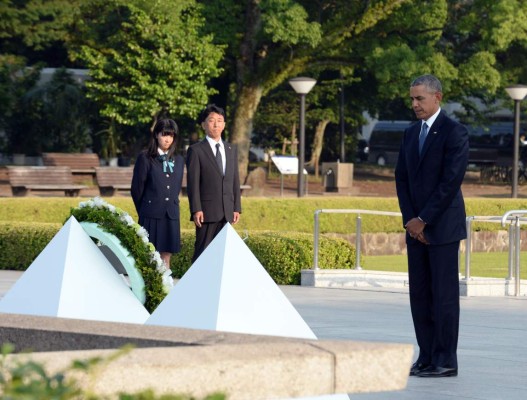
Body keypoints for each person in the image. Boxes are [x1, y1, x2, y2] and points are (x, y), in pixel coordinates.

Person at [395, 74, 469, 378]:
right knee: (420, 295)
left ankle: (445, 359)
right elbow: (401, 178)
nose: (414, 104)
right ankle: (426, 356)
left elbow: (450, 182)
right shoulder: (411, 133)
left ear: (437, 97)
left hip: (441, 228)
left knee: (443, 297)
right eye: (412, 99)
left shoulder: (455, 132)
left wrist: (424, 219)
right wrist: (411, 221)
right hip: (416, 229)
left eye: (420, 99)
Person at [186, 104, 241, 262]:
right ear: (204, 125)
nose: (216, 124)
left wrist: (236, 207)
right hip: (206, 212)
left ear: (224, 125)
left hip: (227, 211)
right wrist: (196, 209)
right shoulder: (196, 150)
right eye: (211, 120)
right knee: (202, 253)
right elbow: (193, 183)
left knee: (223, 256)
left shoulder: (231, 149)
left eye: (219, 120)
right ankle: (196, 285)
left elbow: (234, 179)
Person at [131, 119, 185, 268]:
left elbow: (176, 187)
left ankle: (166, 287)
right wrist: (144, 210)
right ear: (156, 135)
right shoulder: (145, 157)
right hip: (150, 214)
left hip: (171, 214)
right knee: (149, 254)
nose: (167, 139)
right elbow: (136, 189)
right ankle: (150, 289)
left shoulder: (179, 160)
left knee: (167, 255)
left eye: (171, 136)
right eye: (164, 134)